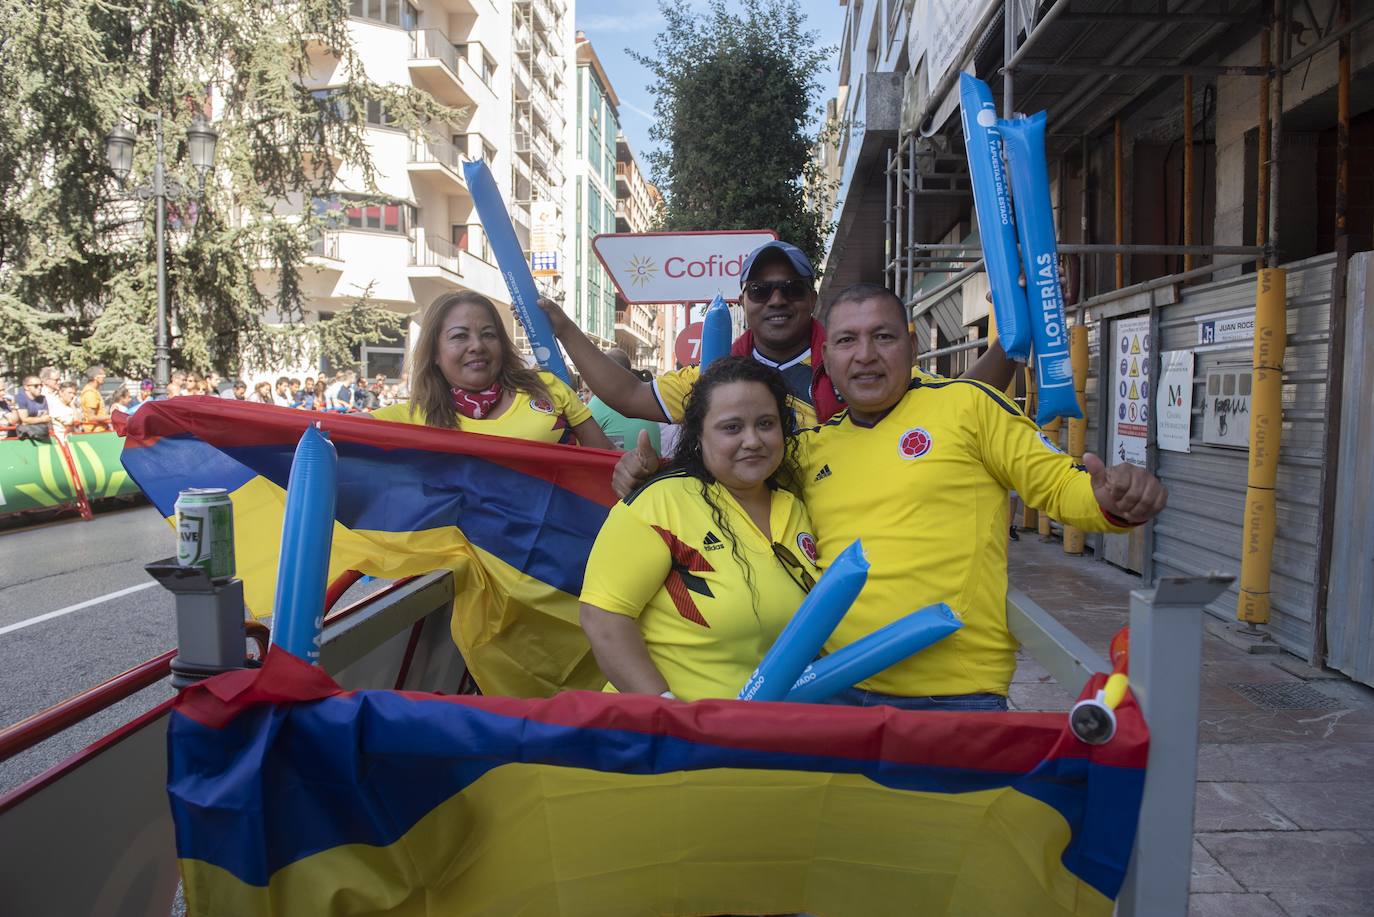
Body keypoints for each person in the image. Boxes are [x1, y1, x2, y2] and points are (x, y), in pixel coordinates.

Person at [615, 283, 1168, 711]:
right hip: (829, 690)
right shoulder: (808, 449)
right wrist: (641, 475)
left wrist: (1114, 498)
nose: (866, 355)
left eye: (883, 337)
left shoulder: (968, 407)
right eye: (847, 341)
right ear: (825, 359)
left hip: (956, 696)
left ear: (911, 344)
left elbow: (1062, 488)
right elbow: (724, 484)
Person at [538, 240, 1020, 432]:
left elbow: (965, 396)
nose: (776, 300)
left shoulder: (855, 363)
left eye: (790, 288)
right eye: (761, 290)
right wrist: (563, 328)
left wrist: (1018, 328)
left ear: (811, 300)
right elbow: (626, 394)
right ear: (743, 303)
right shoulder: (717, 375)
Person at [580, 356, 818, 701]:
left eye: (765, 424)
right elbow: (603, 617)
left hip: (768, 741)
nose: (752, 440)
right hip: (668, 741)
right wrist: (668, 712)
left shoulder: (796, 507)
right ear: (698, 435)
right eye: (731, 428)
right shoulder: (660, 503)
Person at [372, 291, 614, 449]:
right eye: (459, 336)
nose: (477, 346)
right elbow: (335, 432)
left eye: (488, 334)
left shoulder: (546, 387)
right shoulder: (412, 418)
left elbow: (607, 458)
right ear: (434, 352)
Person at [588, 349, 662, 451]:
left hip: (623, 465)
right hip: (653, 465)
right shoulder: (644, 396)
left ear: (604, 370)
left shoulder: (603, 399)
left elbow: (579, 438)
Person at [80, 365, 111, 432]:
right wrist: (111, 417)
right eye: (103, 376)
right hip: (95, 432)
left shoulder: (94, 390)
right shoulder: (90, 393)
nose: (104, 378)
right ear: (96, 377)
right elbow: (91, 417)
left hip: (101, 429)